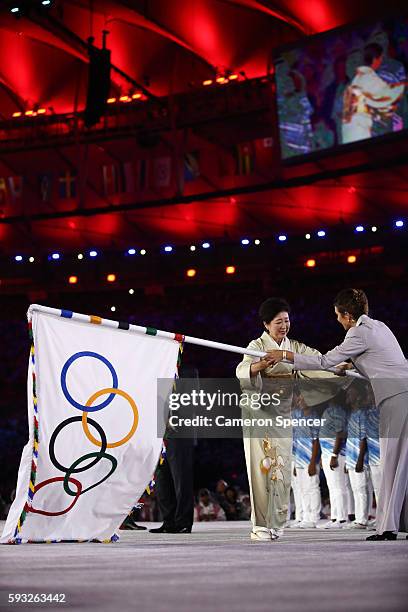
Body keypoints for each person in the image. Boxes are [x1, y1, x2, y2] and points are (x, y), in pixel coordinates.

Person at [266, 288, 408, 541]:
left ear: (347, 315)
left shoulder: (357, 333)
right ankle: (400, 523)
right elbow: (382, 361)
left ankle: (387, 527)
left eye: (338, 315)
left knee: (392, 462)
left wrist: (285, 356)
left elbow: (323, 362)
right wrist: (352, 365)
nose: (337, 320)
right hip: (402, 390)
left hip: (397, 398)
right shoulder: (380, 327)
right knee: (403, 464)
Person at [236, 297, 335, 542]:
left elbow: (317, 362)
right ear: (266, 324)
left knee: (281, 467)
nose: (284, 326)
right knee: (260, 469)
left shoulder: (295, 348)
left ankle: (277, 521)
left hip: (282, 415)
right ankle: (259, 524)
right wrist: (261, 363)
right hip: (258, 414)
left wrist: (336, 366)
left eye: (287, 321)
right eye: (278, 322)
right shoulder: (256, 344)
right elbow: (242, 371)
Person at [291, 392, 321, 528]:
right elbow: (295, 441)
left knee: (312, 488)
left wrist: (313, 462)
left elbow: (316, 441)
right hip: (299, 458)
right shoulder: (297, 415)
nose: (300, 400)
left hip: (310, 459)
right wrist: (295, 463)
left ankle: (314, 517)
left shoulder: (314, 416)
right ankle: (306, 517)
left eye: (303, 398)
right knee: (303, 489)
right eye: (299, 397)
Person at [319, 397, 348, 529]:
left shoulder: (337, 411)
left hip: (335, 454)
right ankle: (335, 517)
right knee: (333, 487)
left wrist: (334, 455)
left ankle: (342, 519)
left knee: (338, 486)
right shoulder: (328, 410)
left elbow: (340, 433)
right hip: (327, 453)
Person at [345, 383, 370, 529]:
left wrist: (360, 459)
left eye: (350, 393)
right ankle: (358, 518)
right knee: (355, 488)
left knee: (361, 488)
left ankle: (362, 519)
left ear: (358, 396)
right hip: (351, 457)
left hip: (360, 459)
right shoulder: (352, 414)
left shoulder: (361, 414)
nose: (347, 396)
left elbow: (363, 438)